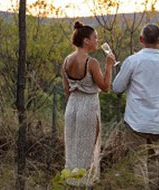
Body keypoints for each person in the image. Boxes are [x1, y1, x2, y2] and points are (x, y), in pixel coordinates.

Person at [112, 23, 159, 188]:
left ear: (140, 39)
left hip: (135, 123)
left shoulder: (133, 61)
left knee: (138, 163)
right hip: (156, 123)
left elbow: (117, 88)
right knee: (153, 164)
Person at [61, 21, 115, 187]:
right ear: (86, 41)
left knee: (72, 146)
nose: (97, 41)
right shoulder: (91, 63)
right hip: (88, 107)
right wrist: (109, 66)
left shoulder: (66, 60)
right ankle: (86, 183)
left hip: (72, 107)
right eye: (95, 38)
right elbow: (105, 87)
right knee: (88, 148)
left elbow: (67, 90)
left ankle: (71, 181)